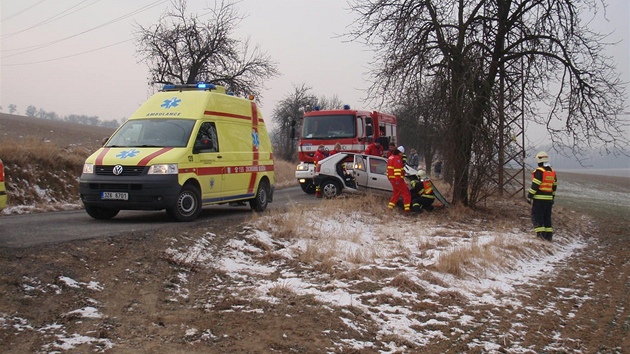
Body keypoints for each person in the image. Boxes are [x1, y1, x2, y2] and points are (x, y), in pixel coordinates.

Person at [527, 151, 558, 241]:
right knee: (547, 218)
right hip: (549, 199)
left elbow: (535, 185)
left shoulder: (539, 172)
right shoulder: (552, 172)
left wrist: (529, 196)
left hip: (539, 199)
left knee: (537, 217)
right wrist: (552, 198)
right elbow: (554, 186)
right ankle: (548, 237)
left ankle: (540, 236)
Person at [387, 147, 411, 213]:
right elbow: (397, 170)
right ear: (400, 152)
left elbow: (388, 169)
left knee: (396, 194)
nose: (402, 155)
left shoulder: (390, 157)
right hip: (397, 179)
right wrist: (398, 179)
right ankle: (407, 210)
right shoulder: (397, 158)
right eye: (402, 153)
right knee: (406, 194)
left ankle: (389, 208)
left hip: (392, 179)